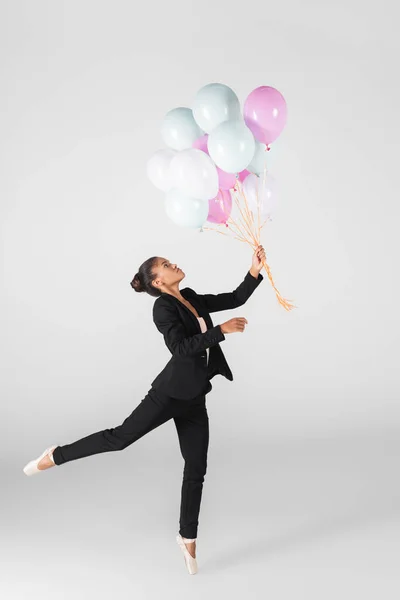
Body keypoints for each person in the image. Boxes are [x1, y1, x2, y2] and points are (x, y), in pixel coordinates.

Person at [22, 245, 265, 574]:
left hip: (194, 395)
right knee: (120, 438)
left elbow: (235, 298)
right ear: (158, 281)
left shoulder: (190, 297)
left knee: (196, 467)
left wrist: (253, 270)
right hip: (169, 393)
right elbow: (180, 348)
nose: (173, 263)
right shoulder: (163, 309)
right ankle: (57, 454)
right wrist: (219, 331)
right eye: (166, 264)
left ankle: (187, 536)